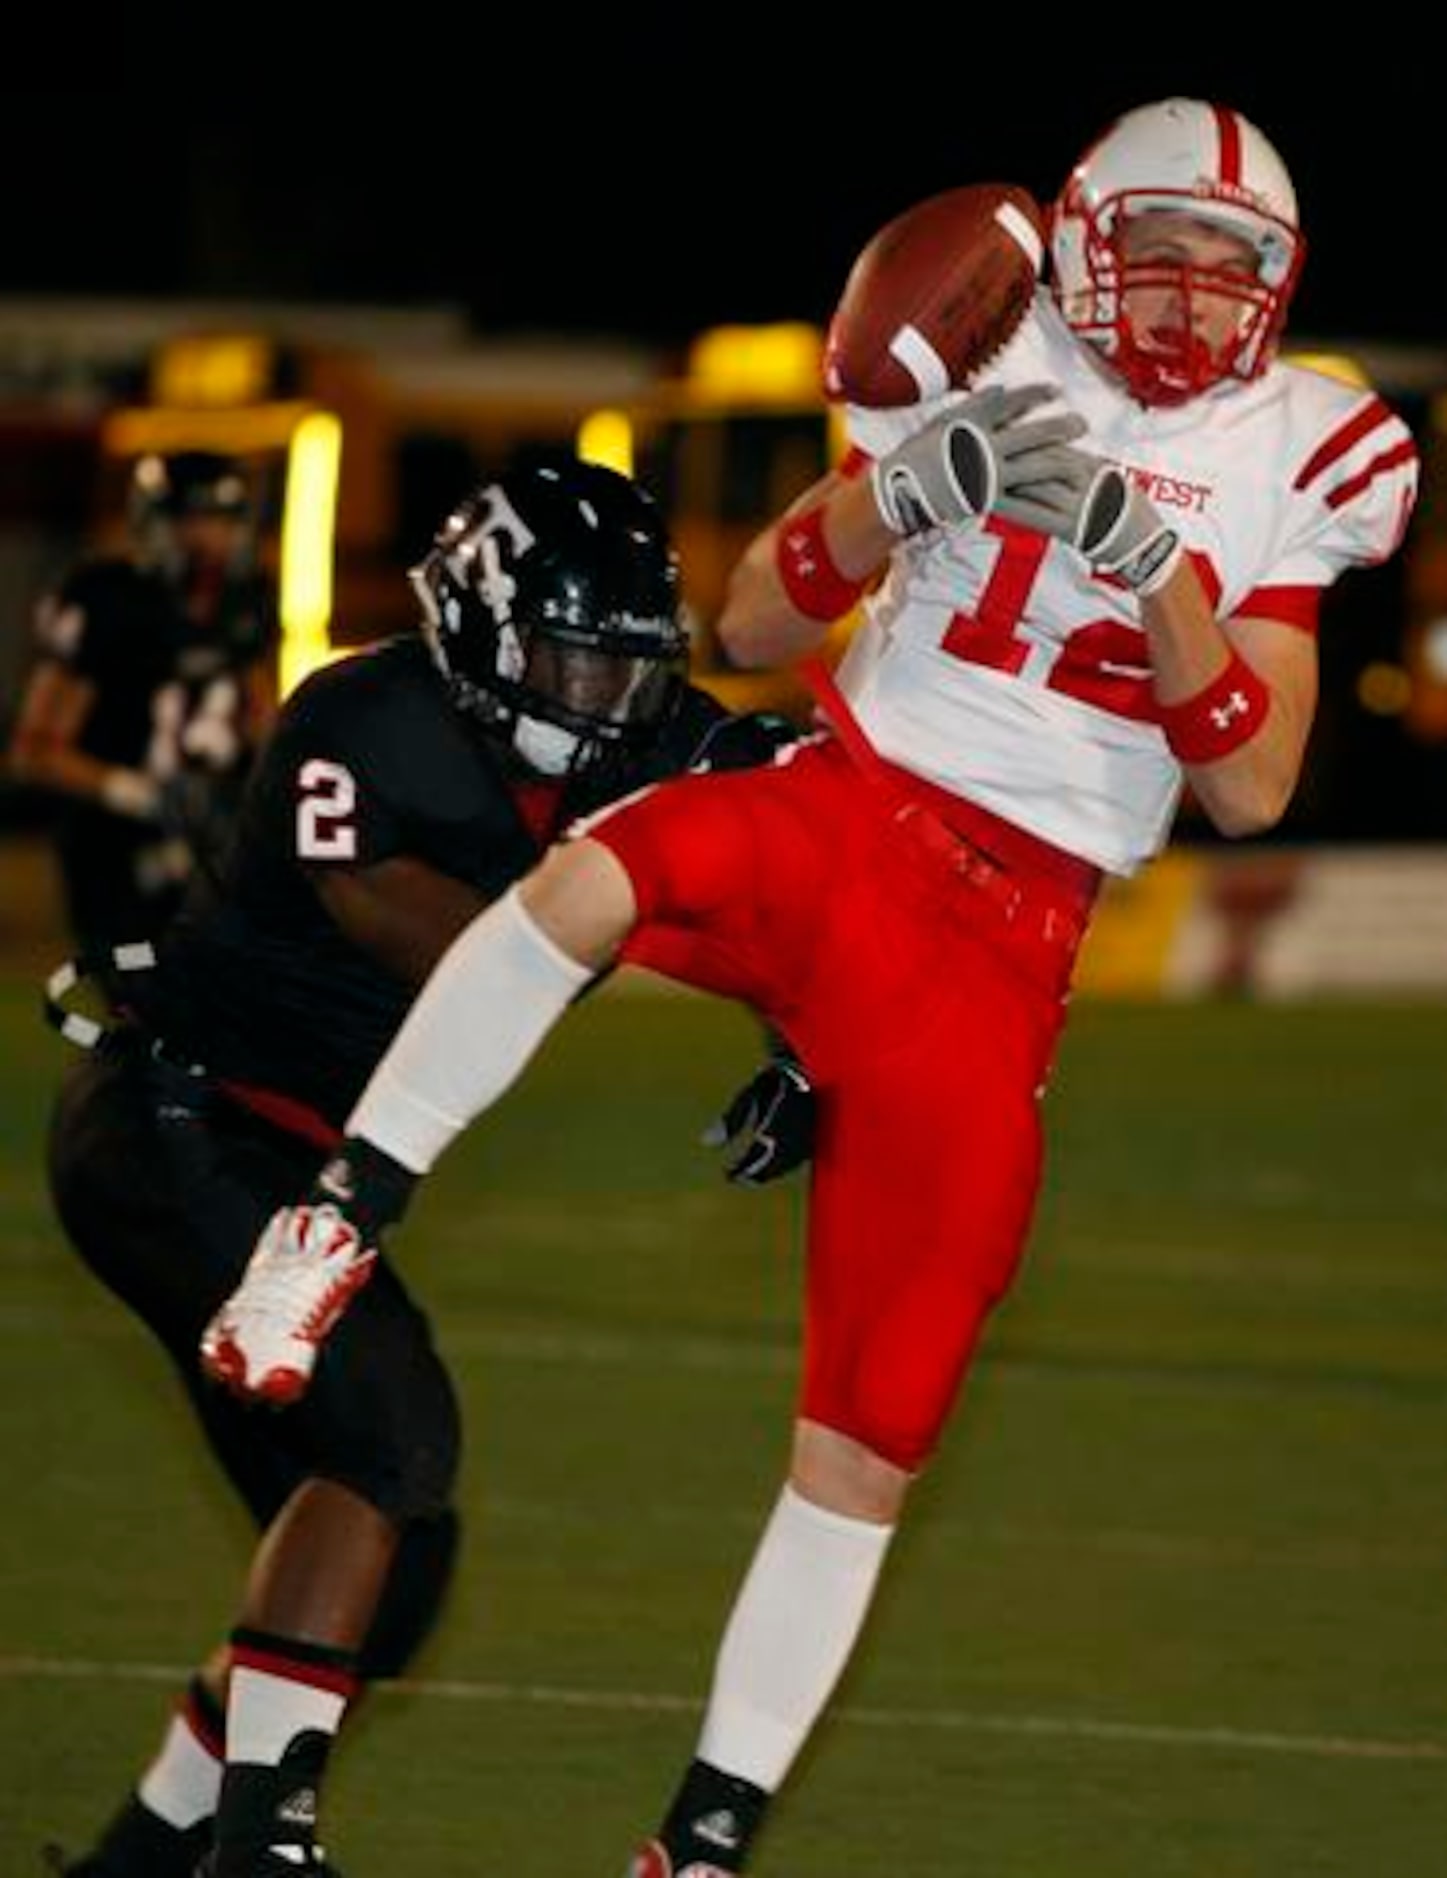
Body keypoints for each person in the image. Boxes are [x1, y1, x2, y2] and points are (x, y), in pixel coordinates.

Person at [200, 98, 1421, 1876]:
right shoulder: (977, 324)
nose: (1186, 288)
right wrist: (903, 489)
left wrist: (1155, 577)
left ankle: (697, 1846)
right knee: (595, 873)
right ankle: (333, 1218)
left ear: (1281, 284)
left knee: (867, 1435)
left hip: (1012, 934)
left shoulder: (1311, 444)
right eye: (1160, 241)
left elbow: (1248, 782)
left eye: (1229, 259)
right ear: (1080, 232)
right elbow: (754, 630)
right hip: (846, 804)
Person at [39, 457, 803, 1878]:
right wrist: (643, 877)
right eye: (570, 659)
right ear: (479, 626)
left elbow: (793, 860)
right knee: (384, 1434)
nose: (600, 701)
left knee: (389, 1561)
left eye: (625, 668)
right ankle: (262, 1847)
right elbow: (469, 954)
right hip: (175, 1124)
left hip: (284, 1154)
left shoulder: (634, 735)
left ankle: (136, 1862)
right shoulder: (362, 720)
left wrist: (801, 1030)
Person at [6, 449, 278, 955]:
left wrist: (254, 798)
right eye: (197, 519)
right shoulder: (104, 599)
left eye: (224, 519)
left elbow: (264, 721)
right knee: (144, 996)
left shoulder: (248, 597)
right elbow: (34, 751)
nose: (213, 538)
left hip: (213, 840)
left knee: (225, 1001)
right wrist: (142, 794)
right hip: (116, 852)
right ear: (158, 522)